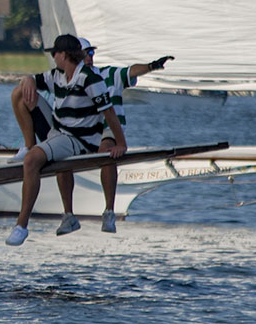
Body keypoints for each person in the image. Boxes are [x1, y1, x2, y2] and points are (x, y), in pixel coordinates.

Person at [6, 33, 127, 246]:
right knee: (19, 93)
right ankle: (29, 145)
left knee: (32, 161)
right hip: (59, 132)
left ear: (64, 54)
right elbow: (33, 80)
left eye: (55, 53)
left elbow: (109, 114)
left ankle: (21, 226)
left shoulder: (89, 79)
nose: (53, 56)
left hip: (79, 141)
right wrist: (27, 79)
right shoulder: (57, 75)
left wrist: (120, 144)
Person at [52, 38, 174, 235]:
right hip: (81, 132)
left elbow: (130, 71)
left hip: (106, 130)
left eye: (91, 53)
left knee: (107, 151)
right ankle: (68, 215)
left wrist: (152, 66)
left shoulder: (107, 74)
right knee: (61, 159)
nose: (90, 57)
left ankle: (109, 212)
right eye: (86, 53)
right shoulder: (64, 81)